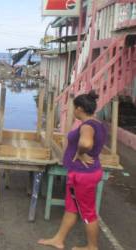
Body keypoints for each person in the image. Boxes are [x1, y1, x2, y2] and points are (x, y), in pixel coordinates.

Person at [38, 91, 107, 250]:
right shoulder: (98, 124)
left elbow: (86, 143)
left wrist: (80, 152)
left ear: (80, 109)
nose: (73, 111)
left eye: (74, 108)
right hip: (84, 173)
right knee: (71, 208)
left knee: (88, 213)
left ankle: (92, 247)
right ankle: (59, 239)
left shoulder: (87, 126)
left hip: (84, 175)